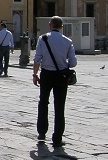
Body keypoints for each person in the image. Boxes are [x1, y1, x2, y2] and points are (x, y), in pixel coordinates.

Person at [33, 16, 77, 148]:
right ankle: (57, 138)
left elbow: (37, 59)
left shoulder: (43, 38)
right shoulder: (68, 41)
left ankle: (42, 132)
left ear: (50, 25)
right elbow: (73, 63)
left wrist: (35, 75)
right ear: (61, 27)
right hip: (61, 76)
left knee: (43, 102)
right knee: (59, 107)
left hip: (46, 74)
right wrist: (64, 63)